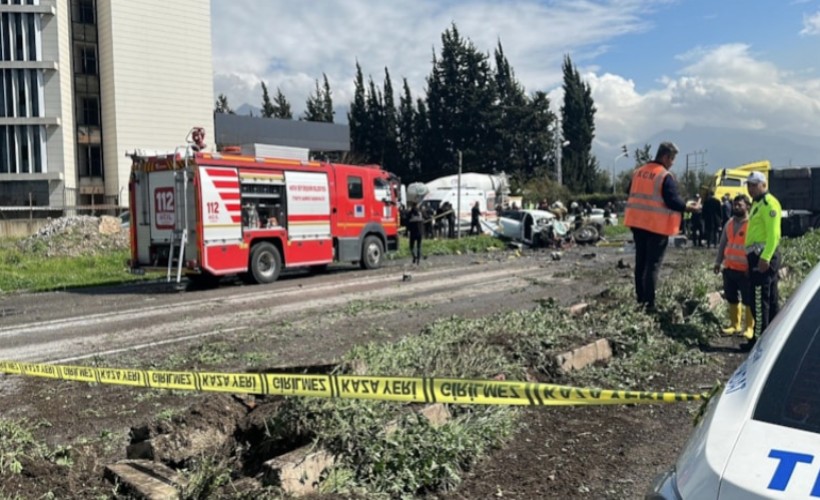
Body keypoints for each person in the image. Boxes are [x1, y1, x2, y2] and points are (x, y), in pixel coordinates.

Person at [624, 142, 700, 312]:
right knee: (652, 265)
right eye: (672, 159)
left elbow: (629, 191)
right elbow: (672, 201)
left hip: (637, 224)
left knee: (640, 263)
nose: (672, 162)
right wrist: (689, 207)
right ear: (665, 157)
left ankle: (640, 299)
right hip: (656, 227)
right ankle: (649, 304)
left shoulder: (638, 172)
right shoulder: (664, 176)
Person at [744, 171, 782, 346]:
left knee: (759, 300)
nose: (750, 188)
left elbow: (774, 234)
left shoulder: (769, 204)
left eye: (753, 185)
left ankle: (759, 341)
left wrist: (765, 257)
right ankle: (772, 339)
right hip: (757, 255)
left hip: (763, 256)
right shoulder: (757, 204)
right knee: (770, 298)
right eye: (748, 185)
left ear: (763, 185)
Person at [713, 194, 754, 338]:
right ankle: (734, 325)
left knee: (749, 299)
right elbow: (723, 244)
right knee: (732, 297)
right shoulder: (729, 223)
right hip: (729, 268)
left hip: (745, 270)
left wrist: (751, 267)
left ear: (747, 206)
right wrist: (718, 262)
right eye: (735, 205)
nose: (736, 207)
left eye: (740, 205)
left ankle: (749, 327)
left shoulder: (752, 224)